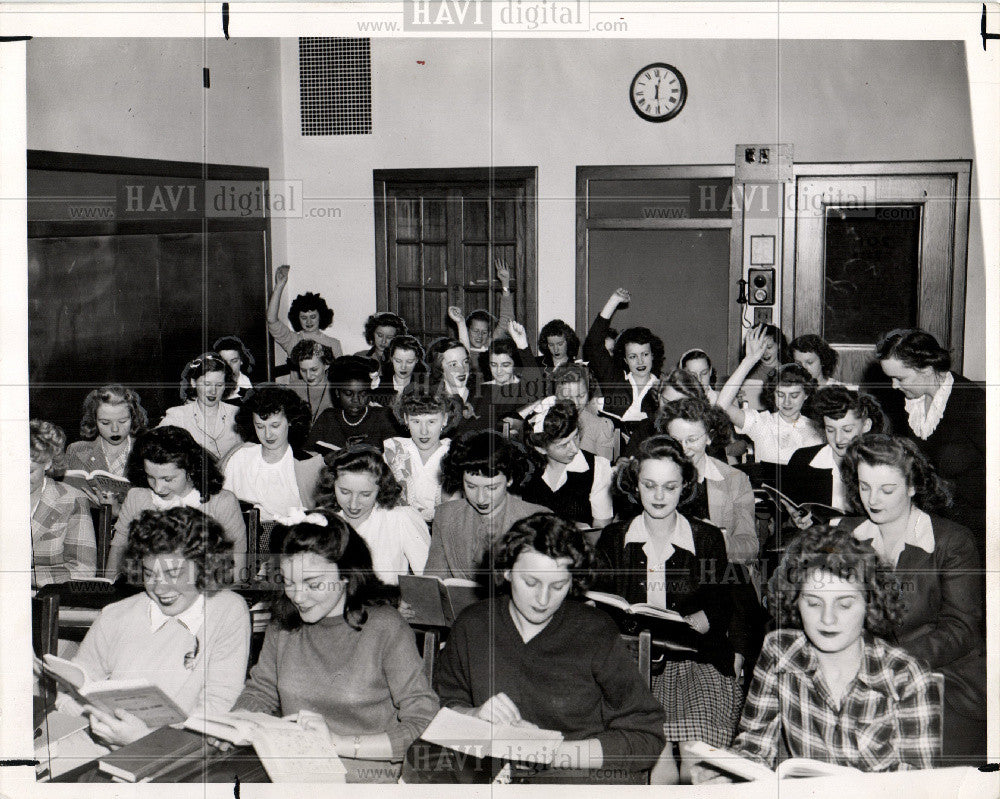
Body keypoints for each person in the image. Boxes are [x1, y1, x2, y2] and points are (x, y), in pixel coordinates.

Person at [421, 512, 666, 784]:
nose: (543, 599)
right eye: (531, 582)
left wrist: (548, 752)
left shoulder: (595, 631)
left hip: (576, 776)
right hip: (492, 773)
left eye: (559, 585)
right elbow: (435, 709)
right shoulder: (473, 624)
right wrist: (473, 715)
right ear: (507, 571)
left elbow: (646, 737)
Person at [232, 510, 439, 783]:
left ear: (345, 575)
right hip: (294, 773)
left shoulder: (385, 627)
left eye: (312, 584)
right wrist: (233, 724)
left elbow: (423, 723)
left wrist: (338, 743)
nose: (297, 596)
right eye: (288, 582)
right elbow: (261, 691)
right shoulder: (284, 623)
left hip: (368, 778)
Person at [724, 525, 941, 774]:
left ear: (870, 603)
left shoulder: (905, 675)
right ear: (796, 599)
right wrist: (728, 774)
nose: (827, 619)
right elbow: (753, 746)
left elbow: (916, 785)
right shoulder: (779, 652)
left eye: (845, 604)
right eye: (814, 603)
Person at [595, 435, 739, 784]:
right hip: (633, 666)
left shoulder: (706, 538)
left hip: (696, 661)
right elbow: (599, 606)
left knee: (697, 769)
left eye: (670, 487)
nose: (659, 497)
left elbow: (724, 601)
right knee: (658, 772)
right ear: (635, 484)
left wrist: (703, 619)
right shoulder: (614, 538)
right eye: (649, 485)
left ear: (685, 486)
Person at [52, 507, 250, 755]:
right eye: (149, 573)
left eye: (174, 573)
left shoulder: (227, 609)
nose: (159, 586)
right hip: (96, 741)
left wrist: (141, 740)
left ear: (204, 566)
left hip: (176, 754)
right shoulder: (114, 615)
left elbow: (217, 709)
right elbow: (69, 691)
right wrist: (89, 713)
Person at [839, 433, 986, 764]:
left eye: (886, 489)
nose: (872, 499)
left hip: (947, 680)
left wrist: (891, 663)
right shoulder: (852, 539)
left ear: (912, 486)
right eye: (864, 487)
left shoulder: (952, 541)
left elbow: (961, 629)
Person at [874, 328, 985, 548]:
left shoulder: (972, 402)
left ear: (926, 368)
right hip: (925, 519)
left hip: (971, 528)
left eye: (900, 378)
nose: (894, 386)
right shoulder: (904, 403)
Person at [105, 426, 247, 580]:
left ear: (191, 470)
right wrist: (108, 589)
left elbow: (237, 568)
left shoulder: (222, 502)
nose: (158, 488)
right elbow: (118, 550)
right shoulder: (136, 498)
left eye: (168, 479)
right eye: (151, 477)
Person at [424, 431, 546, 581]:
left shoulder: (539, 520)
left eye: (491, 488)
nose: (481, 498)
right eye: (471, 486)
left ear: (510, 479)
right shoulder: (445, 515)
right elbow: (433, 579)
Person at [314, 446, 430, 586]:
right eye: (345, 492)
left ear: (381, 488)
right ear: (332, 484)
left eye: (365, 494)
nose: (353, 504)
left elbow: (429, 581)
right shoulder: (319, 520)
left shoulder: (401, 518)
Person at [717, 326, 823, 465]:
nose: (787, 402)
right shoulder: (761, 423)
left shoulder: (818, 427)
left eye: (794, 395)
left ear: (806, 394)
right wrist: (749, 360)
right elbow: (722, 406)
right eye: (780, 394)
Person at [784, 386, 887, 525]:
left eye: (847, 430)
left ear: (866, 425)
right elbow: (785, 520)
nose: (838, 439)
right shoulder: (803, 459)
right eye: (830, 430)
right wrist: (795, 520)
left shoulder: (879, 465)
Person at [223, 386, 325, 522]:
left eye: (275, 425)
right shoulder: (240, 458)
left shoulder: (307, 464)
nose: (267, 434)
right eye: (260, 426)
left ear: (290, 421)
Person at [520, 399, 613, 533]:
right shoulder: (525, 469)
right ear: (541, 449)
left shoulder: (598, 467)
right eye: (564, 445)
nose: (575, 449)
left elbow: (601, 531)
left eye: (575, 437)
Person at [583, 288, 664, 432]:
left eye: (644, 354)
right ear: (625, 360)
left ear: (653, 355)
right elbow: (593, 344)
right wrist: (614, 301)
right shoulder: (615, 380)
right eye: (633, 356)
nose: (640, 361)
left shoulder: (663, 388)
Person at [30, 420, 96, 586]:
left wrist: (23, 578)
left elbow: (83, 569)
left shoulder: (72, 499)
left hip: (48, 598)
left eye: (29, 471)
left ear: (47, 462)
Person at [383, 387, 462, 523]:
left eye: (431, 422)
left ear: (444, 420)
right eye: (416, 421)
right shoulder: (395, 451)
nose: (423, 431)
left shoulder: (454, 452)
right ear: (406, 419)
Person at [65, 384, 148, 508]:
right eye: (105, 422)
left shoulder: (146, 450)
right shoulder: (76, 451)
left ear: (133, 418)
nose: (115, 429)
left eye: (122, 421)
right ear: (94, 421)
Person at [159, 352, 243, 461]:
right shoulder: (177, 415)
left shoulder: (237, 413)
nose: (213, 391)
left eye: (219, 385)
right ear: (193, 383)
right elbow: (153, 443)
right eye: (207, 384)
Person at [307, 355, 397, 451]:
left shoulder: (382, 416)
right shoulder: (328, 417)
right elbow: (307, 454)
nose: (355, 400)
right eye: (348, 394)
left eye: (362, 394)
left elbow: (397, 456)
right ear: (337, 393)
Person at [267, 263, 343, 358]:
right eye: (303, 317)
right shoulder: (292, 340)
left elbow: (339, 372)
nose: (308, 321)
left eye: (313, 316)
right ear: (297, 319)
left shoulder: (334, 344)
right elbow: (271, 320)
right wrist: (279, 286)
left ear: (321, 316)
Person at [549, 364, 615, 461]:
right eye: (568, 397)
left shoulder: (602, 426)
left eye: (581, 396)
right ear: (556, 396)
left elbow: (603, 470)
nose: (576, 403)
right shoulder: (546, 423)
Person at [425, 337, 489, 437]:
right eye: (453, 364)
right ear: (440, 368)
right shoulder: (430, 398)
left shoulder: (484, 394)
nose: (462, 369)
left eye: (465, 362)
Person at [286, 339, 336, 430]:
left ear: (326, 364)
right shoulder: (293, 388)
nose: (308, 376)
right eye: (303, 370)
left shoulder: (336, 389)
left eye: (314, 369)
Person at [738, 323, 788, 411]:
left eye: (769, 347)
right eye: (760, 348)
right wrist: (737, 399)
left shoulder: (787, 371)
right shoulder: (746, 370)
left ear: (779, 345)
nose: (764, 353)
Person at [371, 335, 426, 410]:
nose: (403, 367)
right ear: (391, 359)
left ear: (417, 360)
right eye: (398, 361)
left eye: (409, 362)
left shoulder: (425, 388)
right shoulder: (377, 385)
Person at [213, 335, 256, 403]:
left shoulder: (253, 388)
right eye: (224, 362)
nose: (229, 366)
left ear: (241, 361)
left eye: (233, 361)